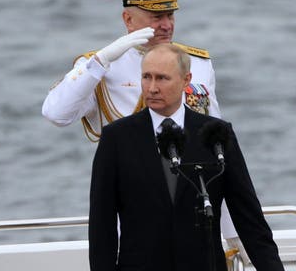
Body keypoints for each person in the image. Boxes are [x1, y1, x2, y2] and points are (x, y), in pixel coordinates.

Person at [41, 0, 247, 257]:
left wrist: (233, 234)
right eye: (156, 16)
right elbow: (56, 113)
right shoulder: (102, 67)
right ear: (128, 19)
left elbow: (216, 151)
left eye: (170, 14)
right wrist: (100, 62)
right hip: (136, 211)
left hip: (194, 208)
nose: (166, 25)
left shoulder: (196, 64)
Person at [88, 43, 283, 271]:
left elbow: (249, 219)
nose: (151, 88)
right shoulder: (117, 138)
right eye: (146, 77)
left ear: (186, 79)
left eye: (162, 78)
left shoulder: (216, 134)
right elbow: (102, 225)